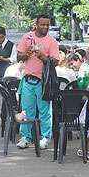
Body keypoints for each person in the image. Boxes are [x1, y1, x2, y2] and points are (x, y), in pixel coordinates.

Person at [15, 14, 60, 150]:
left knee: (45, 111)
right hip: (28, 80)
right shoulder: (27, 38)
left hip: (43, 82)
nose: (45, 27)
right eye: (43, 24)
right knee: (26, 111)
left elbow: (55, 62)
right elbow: (18, 57)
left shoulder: (51, 41)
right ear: (37, 24)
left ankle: (45, 137)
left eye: (47, 25)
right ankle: (25, 137)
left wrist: (43, 57)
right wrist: (26, 53)